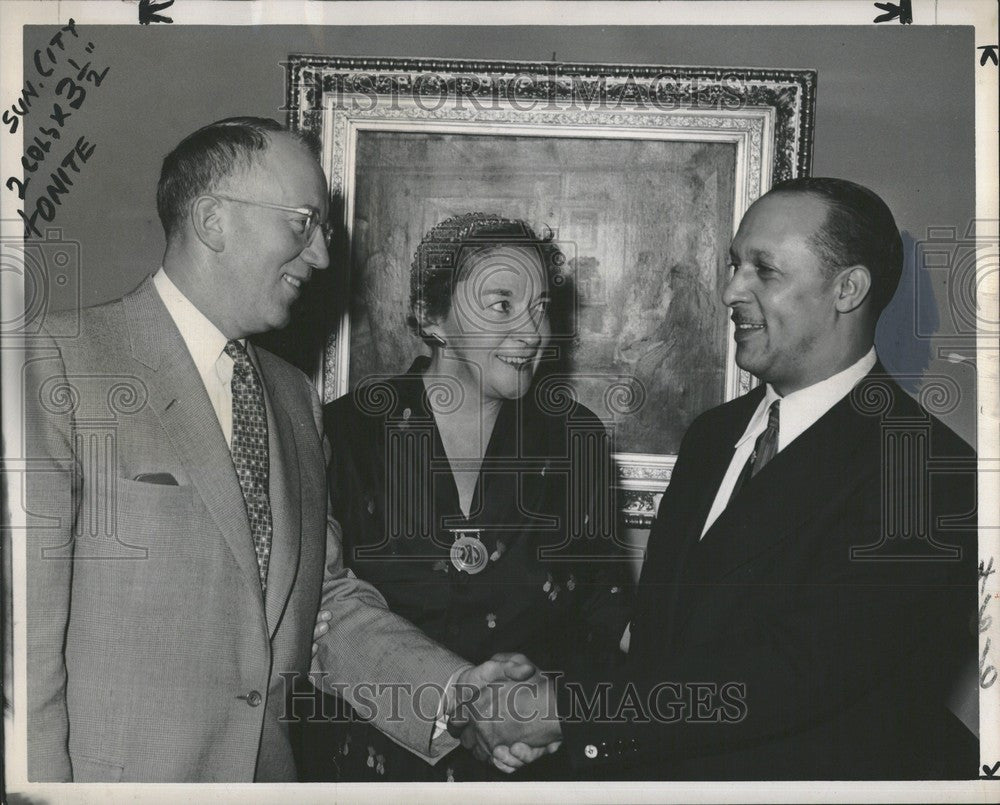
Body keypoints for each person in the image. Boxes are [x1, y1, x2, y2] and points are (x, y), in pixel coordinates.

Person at [23, 118, 530, 783]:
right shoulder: (58, 361)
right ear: (212, 220)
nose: (321, 256)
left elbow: (319, 607)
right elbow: (20, 653)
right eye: (303, 223)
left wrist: (458, 694)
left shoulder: (293, 399)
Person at [466, 178, 979, 779]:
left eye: (764, 270)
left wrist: (567, 712)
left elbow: (789, 676)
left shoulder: (925, 471)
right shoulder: (714, 436)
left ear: (848, 289)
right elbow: (661, 643)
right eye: (734, 265)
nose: (731, 290)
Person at [301, 213, 632, 781]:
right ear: (434, 318)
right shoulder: (344, 433)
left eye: (541, 308)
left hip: (532, 767)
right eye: (502, 305)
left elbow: (605, 614)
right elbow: (319, 616)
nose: (532, 333)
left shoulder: (572, 438)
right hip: (372, 768)